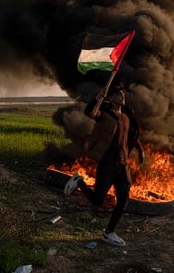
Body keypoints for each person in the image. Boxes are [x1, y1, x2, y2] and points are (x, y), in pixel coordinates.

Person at [63, 85, 144, 247]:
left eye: (122, 95)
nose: (121, 97)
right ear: (110, 99)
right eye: (117, 95)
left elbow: (130, 134)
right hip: (107, 164)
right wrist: (97, 98)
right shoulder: (105, 115)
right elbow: (91, 113)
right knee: (97, 200)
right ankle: (79, 181)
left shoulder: (127, 116)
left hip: (122, 165)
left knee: (123, 200)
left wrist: (140, 148)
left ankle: (109, 233)